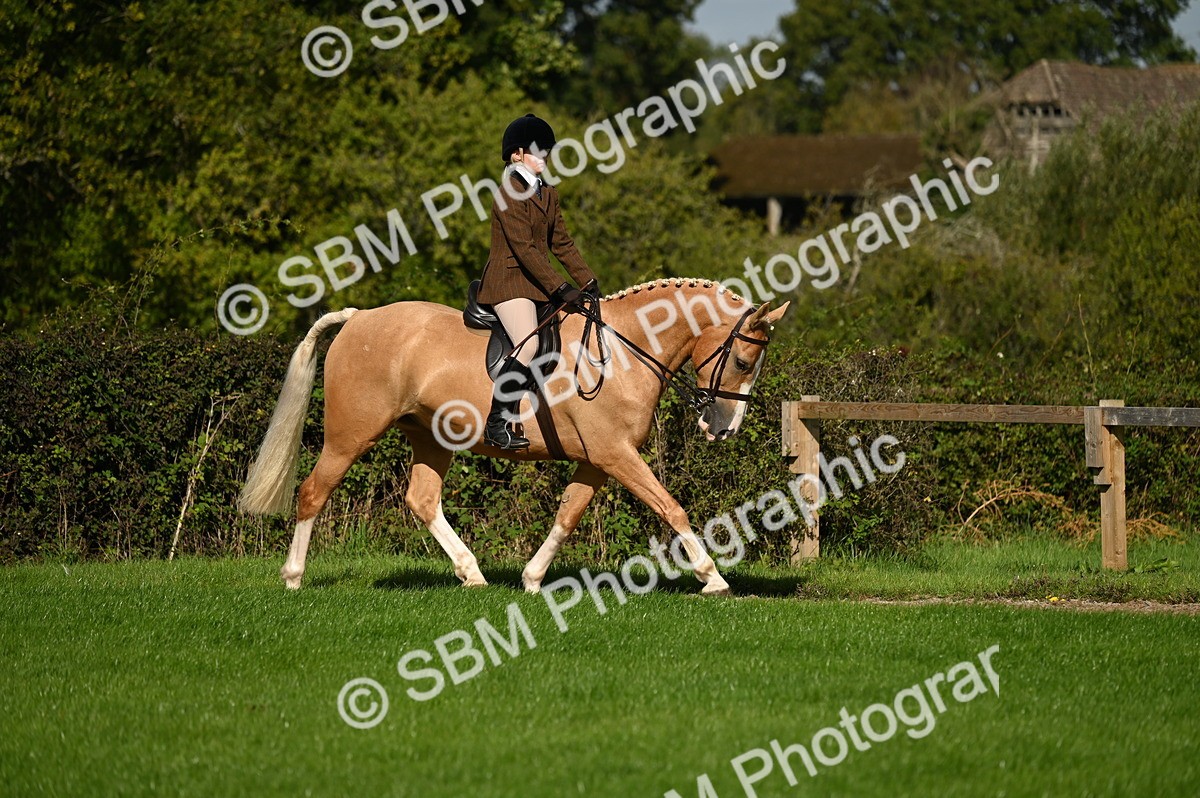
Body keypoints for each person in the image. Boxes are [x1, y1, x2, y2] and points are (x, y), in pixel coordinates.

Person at [476, 114, 599, 450]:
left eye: (547, 151)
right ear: (516, 155)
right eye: (537, 151)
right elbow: (526, 250)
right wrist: (561, 287)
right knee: (528, 344)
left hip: (537, 282)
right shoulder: (506, 194)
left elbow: (562, 243)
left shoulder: (549, 194)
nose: (544, 156)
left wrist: (588, 281)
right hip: (509, 281)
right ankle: (496, 423)